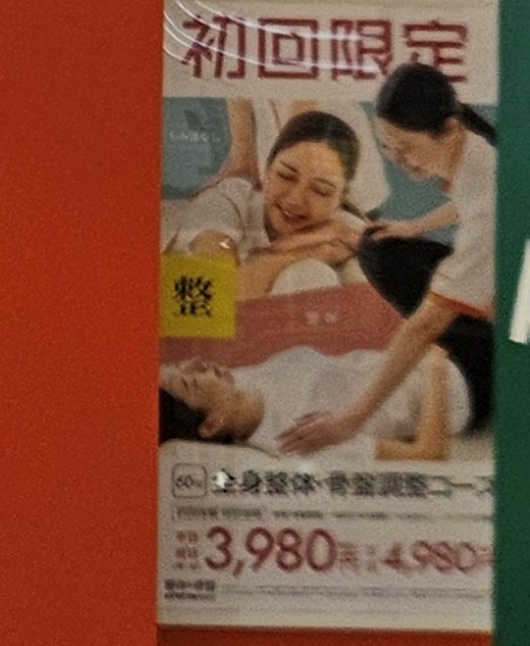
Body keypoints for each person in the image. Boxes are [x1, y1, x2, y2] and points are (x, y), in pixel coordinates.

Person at [284, 63, 496, 452]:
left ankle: (484, 362)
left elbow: (423, 327)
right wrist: (415, 226)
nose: (398, 158)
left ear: (449, 129)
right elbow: (470, 199)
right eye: (387, 146)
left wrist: (349, 423)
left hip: (511, 351)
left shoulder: (486, 198)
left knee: (429, 331)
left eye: (407, 147)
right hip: (495, 296)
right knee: (378, 247)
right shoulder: (473, 148)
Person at [164, 109, 371, 298]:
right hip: (183, 315)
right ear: (267, 170)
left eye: (320, 190)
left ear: (340, 199)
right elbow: (217, 291)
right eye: (286, 176)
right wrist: (303, 252)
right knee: (310, 271)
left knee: (323, 272)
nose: (295, 200)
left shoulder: (343, 228)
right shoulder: (223, 202)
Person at [162, 350, 468, 462]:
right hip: (460, 387)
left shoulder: (239, 385)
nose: (196, 363)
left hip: (423, 350)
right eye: (190, 382)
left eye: (181, 365)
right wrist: (435, 371)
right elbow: (428, 454)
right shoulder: (297, 440)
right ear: (212, 424)